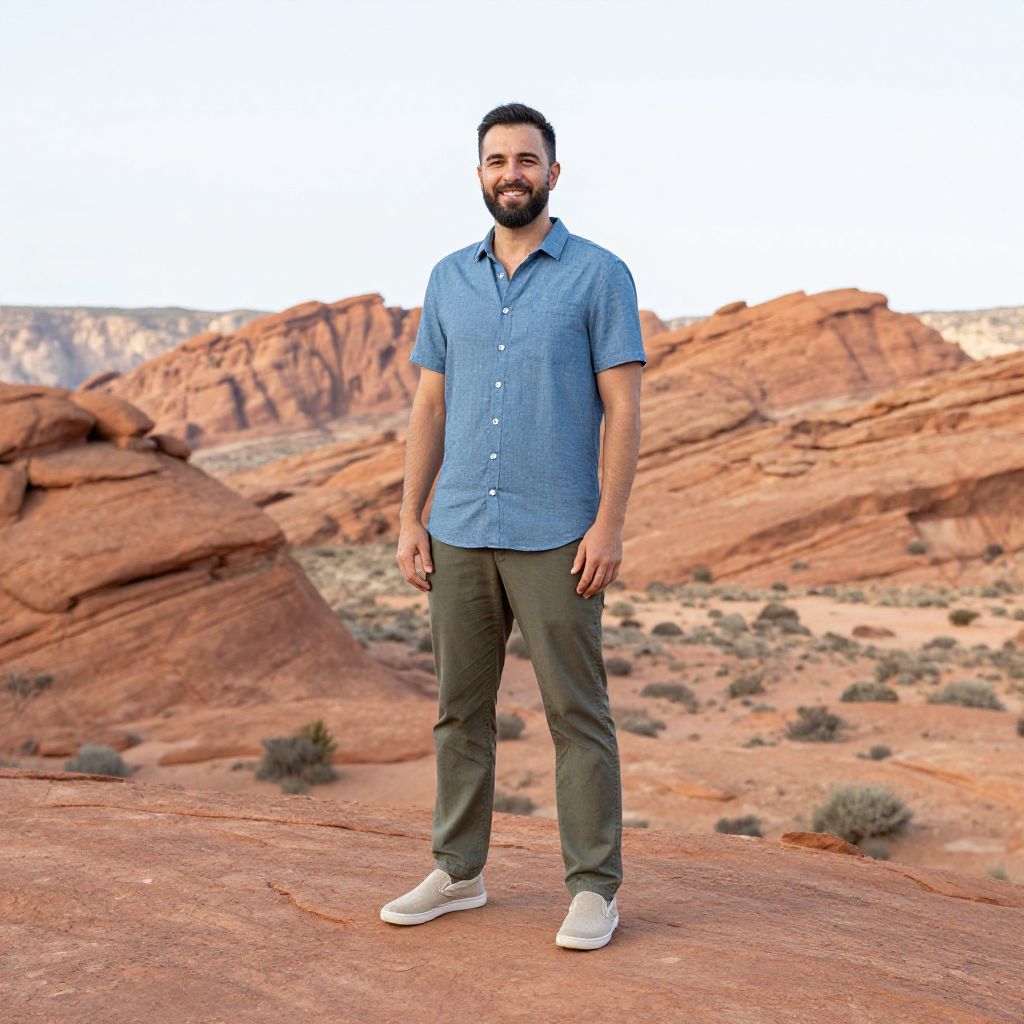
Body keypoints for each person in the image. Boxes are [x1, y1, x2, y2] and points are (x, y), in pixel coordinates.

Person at [383, 101, 647, 951]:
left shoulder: (599, 275)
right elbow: (430, 402)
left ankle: (594, 888)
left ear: (553, 174)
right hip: (459, 525)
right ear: (480, 175)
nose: (512, 174)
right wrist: (409, 517)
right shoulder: (447, 278)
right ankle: (458, 871)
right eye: (497, 161)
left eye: (526, 161)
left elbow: (624, 407)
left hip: (559, 534)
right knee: (460, 711)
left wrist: (609, 524)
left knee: (577, 713)